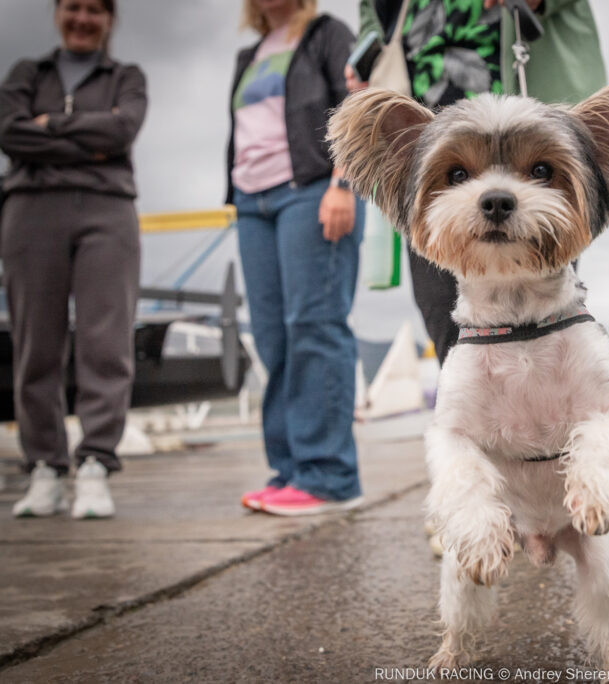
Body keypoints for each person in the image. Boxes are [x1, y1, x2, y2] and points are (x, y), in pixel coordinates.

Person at [348, 0, 606, 366]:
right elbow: (372, 22)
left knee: (544, 310)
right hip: (427, 136)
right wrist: (369, 62)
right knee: (441, 308)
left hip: (527, 98)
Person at [0, 0, 146, 519]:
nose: (82, 18)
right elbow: (8, 131)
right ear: (57, 12)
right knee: (34, 343)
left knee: (105, 340)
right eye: (73, 7)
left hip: (108, 214)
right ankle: (44, 467)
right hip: (29, 213)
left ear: (109, 19)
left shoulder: (127, 76)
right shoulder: (24, 73)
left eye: (94, 10)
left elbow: (122, 130)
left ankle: (95, 464)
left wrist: (48, 129)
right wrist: (86, 131)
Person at [230, 0, 365, 515]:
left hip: (309, 190)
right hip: (252, 202)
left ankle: (328, 476)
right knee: (272, 336)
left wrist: (343, 184)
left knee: (315, 326)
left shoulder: (327, 34)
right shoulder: (249, 54)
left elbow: (356, 107)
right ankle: (289, 470)